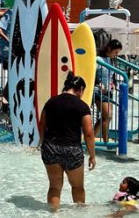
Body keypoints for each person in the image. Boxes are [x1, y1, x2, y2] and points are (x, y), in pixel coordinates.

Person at [39, 72, 96, 211]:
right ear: (80, 89)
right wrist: (92, 155)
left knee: (54, 187)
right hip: (72, 150)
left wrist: (43, 144)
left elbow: (42, 125)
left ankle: (53, 214)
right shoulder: (82, 106)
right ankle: (79, 214)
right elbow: (89, 133)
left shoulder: (51, 102)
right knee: (77, 187)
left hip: (51, 148)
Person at [94, 39, 122, 143]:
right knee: (108, 116)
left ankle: (91, 135)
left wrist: (113, 83)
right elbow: (92, 74)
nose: (116, 55)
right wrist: (98, 83)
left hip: (108, 91)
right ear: (109, 49)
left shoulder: (111, 60)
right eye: (115, 52)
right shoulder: (98, 59)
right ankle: (106, 142)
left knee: (106, 117)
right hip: (99, 91)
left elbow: (112, 74)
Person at [0, 9, 12, 109]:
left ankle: (5, 98)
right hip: (9, 51)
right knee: (13, 76)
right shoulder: (11, 12)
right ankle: (5, 97)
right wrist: (8, 40)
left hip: (13, 51)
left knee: (13, 77)